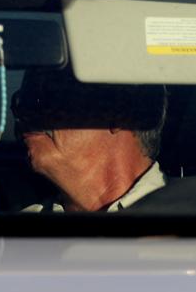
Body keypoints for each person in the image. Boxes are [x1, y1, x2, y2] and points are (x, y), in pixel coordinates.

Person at [11, 67, 167, 213]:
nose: (23, 112)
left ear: (118, 112)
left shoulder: (184, 214)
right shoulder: (17, 236)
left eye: (47, 98)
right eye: (22, 100)